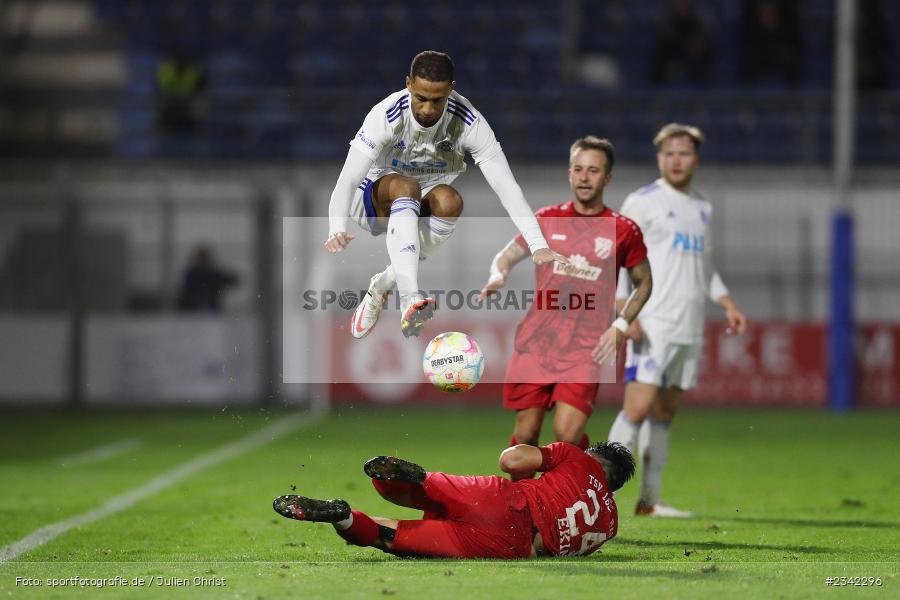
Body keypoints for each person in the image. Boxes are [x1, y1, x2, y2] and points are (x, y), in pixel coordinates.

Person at [324, 50, 565, 339]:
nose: (427, 109)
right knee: (407, 187)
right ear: (408, 84)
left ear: (451, 89)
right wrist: (336, 226)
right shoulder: (386, 115)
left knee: (451, 202)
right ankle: (410, 298)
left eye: (437, 100)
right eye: (420, 98)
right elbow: (348, 178)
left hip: (420, 201)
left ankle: (383, 285)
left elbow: (507, 187)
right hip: (372, 200)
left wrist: (538, 244)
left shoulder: (469, 123)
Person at [478, 136, 652, 451]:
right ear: (569, 174)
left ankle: (573, 476)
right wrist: (497, 274)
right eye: (578, 169)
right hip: (537, 341)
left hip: (586, 346)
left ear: (607, 178)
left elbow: (644, 282)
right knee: (526, 435)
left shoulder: (624, 230)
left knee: (567, 435)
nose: (584, 177)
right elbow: (506, 256)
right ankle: (531, 485)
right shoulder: (546, 220)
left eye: (593, 170)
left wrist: (621, 325)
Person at [608, 123, 747, 518]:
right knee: (636, 408)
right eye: (669, 153)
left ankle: (649, 501)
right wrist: (625, 309)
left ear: (695, 160)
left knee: (664, 413)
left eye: (683, 153)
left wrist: (728, 302)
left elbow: (704, 266)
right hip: (653, 320)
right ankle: (596, 494)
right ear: (659, 159)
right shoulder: (643, 201)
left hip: (689, 324)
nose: (676, 160)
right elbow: (618, 257)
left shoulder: (702, 207)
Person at [273, 441, 634, 559]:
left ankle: (412, 480)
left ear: (594, 457)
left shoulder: (577, 458)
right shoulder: (610, 528)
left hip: (505, 499)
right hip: (511, 545)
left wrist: (552, 457)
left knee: (431, 489)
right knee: (393, 537)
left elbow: (510, 461)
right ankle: (344, 517)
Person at [176, 245, 239, 311]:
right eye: (201, 257)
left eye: (204, 257)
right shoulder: (193, 273)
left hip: (211, 306)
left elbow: (229, 281)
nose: (202, 260)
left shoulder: (213, 272)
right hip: (193, 307)